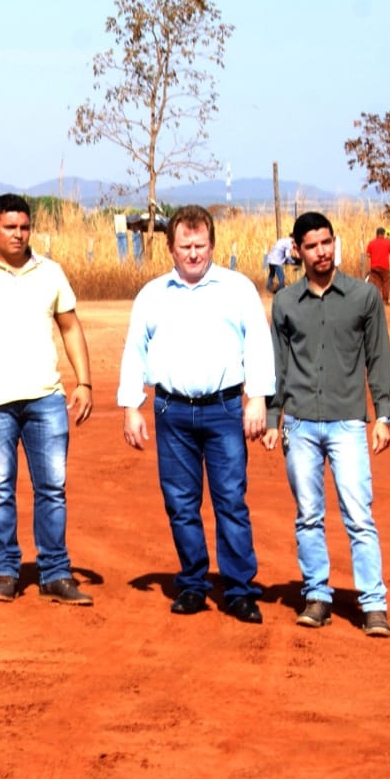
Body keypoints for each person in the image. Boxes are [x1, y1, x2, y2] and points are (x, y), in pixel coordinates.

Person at [118, 204, 274, 623]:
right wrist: (132, 406)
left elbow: (258, 342)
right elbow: (135, 350)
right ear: (169, 247)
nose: (193, 253)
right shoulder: (152, 295)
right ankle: (192, 583)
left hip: (224, 410)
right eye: (184, 245)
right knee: (181, 503)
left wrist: (257, 397)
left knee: (230, 502)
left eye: (200, 245)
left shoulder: (237, 288)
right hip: (172, 413)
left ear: (212, 245)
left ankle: (239, 589)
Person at [0, 193, 95, 606]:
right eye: (9, 227)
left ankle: (55, 573)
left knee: (52, 488)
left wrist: (84, 383)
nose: (18, 234)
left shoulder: (51, 273)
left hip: (46, 400)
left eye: (24, 227)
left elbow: (69, 327)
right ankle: (6, 571)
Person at [264, 211, 390, 637]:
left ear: (335, 243)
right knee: (308, 516)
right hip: (299, 424)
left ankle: (373, 604)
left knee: (359, 516)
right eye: (312, 245)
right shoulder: (284, 303)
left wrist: (383, 416)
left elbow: (379, 359)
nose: (322, 252)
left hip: (347, 424)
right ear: (296, 251)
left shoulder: (364, 297)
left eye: (327, 243)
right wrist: (272, 418)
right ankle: (317, 596)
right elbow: (278, 366)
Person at [365, 226, 390, 305]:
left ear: (377, 234)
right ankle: (385, 300)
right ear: (383, 234)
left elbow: (368, 254)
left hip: (374, 267)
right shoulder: (388, 243)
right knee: (385, 282)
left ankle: (375, 300)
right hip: (384, 267)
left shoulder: (371, 243)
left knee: (376, 283)